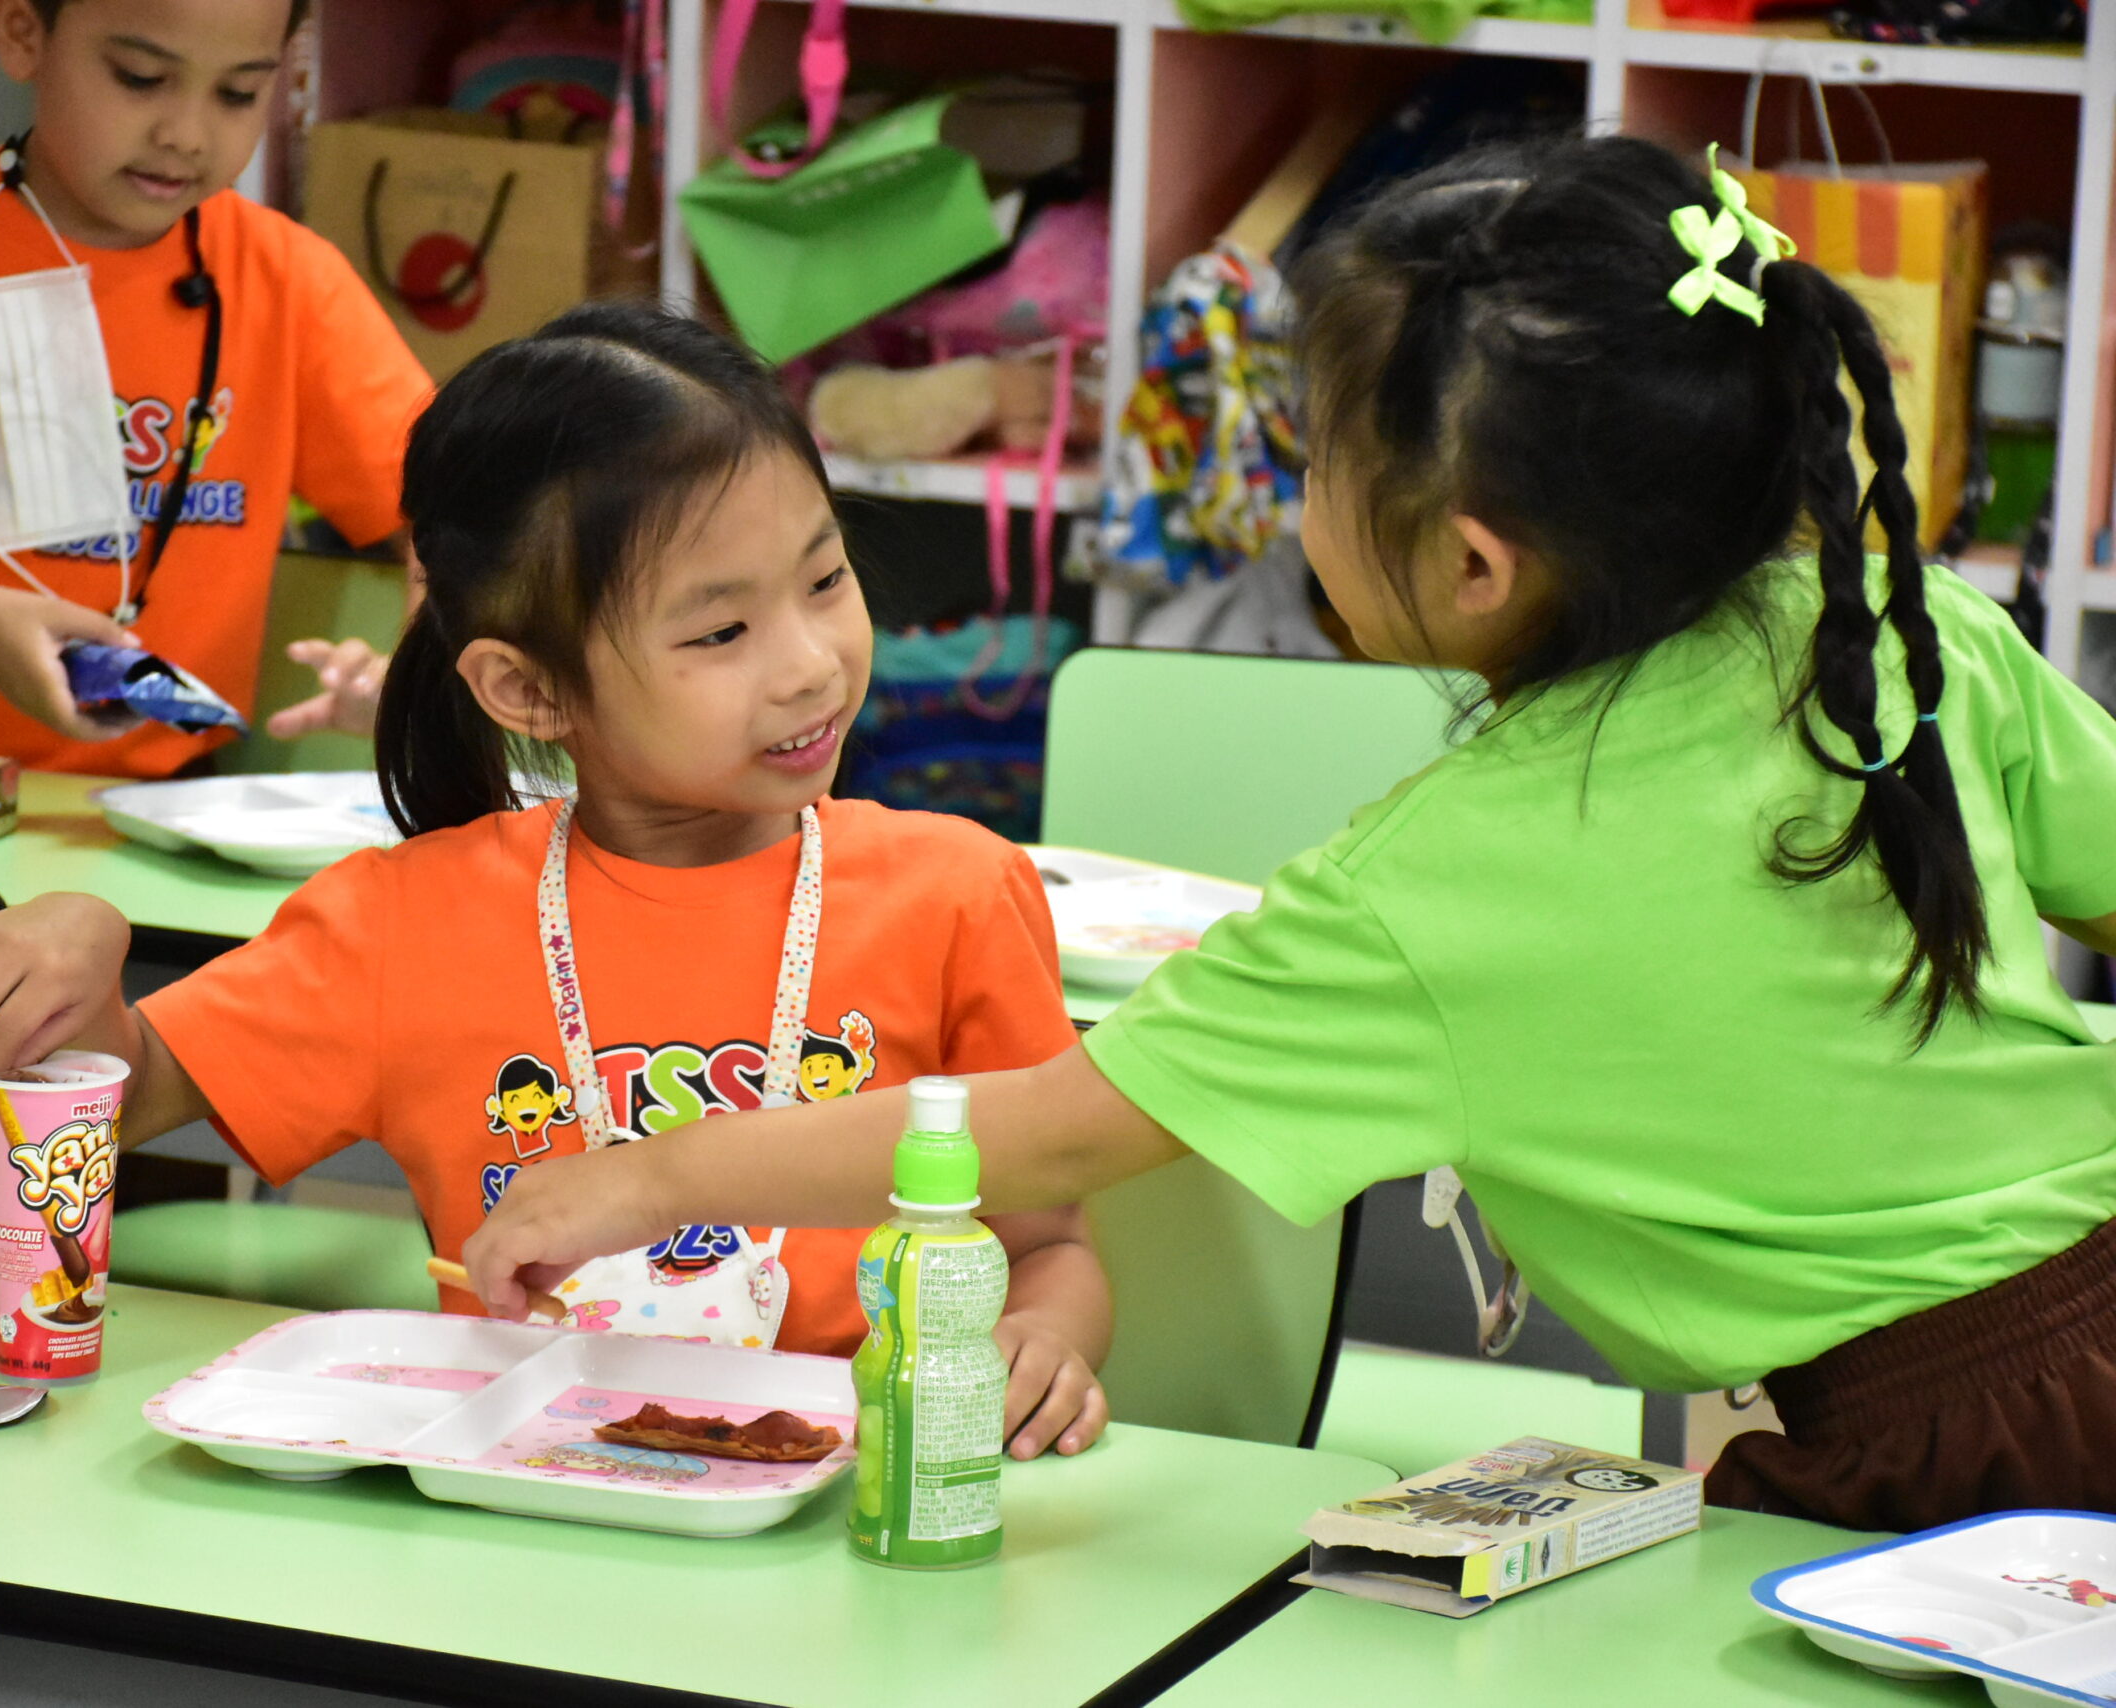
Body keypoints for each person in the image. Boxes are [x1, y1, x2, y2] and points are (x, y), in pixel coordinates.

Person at [465, 136, 2116, 1528]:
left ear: (1473, 564)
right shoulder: (1904, 631)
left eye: (1311, 458)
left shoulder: (1435, 886)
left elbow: (1043, 1135)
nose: (1295, 494)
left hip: (1964, 1449)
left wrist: (649, 1174)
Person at [0, 302, 1114, 1459]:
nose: (810, 666)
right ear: (529, 690)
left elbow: (1047, 1243)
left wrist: (1044, 1340)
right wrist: (80, 946)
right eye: (719, 633)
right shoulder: (404, 923)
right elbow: (101, 1114)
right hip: (513, 1506)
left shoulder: (955, 893)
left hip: (856, 1501)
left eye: (824, 581)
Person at [0, 0, 431, 778]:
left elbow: (461, 510)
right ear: (22, 33)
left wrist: (419, 676)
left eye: (237, 93)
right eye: (141, 78)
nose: (186, 134)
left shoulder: (289, 282)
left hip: (149, 804)